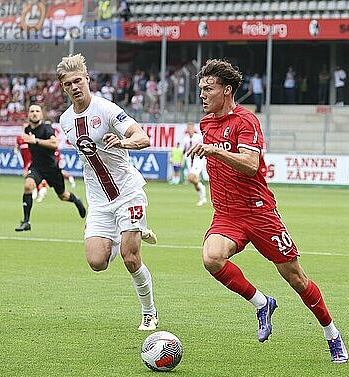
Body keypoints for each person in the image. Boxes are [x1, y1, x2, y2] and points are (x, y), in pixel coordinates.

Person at [188, 59, 348, 363]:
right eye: (201, 89)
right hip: (227, 214)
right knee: (211, 258)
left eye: (208, 89)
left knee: (296, 279)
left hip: (260, 214)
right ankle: (262, 303)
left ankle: (332, 335)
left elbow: (250, 166)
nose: (203, 95)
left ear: (227, 90)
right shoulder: (206, 123)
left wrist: (214, 151)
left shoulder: (246, 121)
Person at [57, 54, 159, 330]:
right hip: (100, 200)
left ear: (87, 80)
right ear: (64, 88)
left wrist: (124, 142)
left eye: (78, 80)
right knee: (96, 262)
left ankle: (149, 312)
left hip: (127, 191)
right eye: (69, 84)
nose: (75, 87)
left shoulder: (107, 109)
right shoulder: (66, 122)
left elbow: (143, 137)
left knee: (130, 257)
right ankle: (134, 229)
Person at [14, 105, 87, 232]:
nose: (35, 113)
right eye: (32, 111)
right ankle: (26, 222)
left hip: (52, 168)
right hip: (36, 167)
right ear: (28, 115)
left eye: (37, 111)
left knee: (63, 196)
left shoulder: (47, 128)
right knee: (28, 186)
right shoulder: (26, 130)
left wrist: (35, 140)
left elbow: (55, 143)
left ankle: (76, 200)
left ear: (41, 115)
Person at [182, 122, 207, 206]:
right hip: (190, 161)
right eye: (188, 128)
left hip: (198, 160)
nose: (189, 130)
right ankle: (202, 198)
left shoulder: (198, 138)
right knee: (194, 181)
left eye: (191, 128)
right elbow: (184, 150)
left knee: (191, 177)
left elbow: (204, 146)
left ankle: (203, 192)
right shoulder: (185, 139)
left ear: (193, 129)